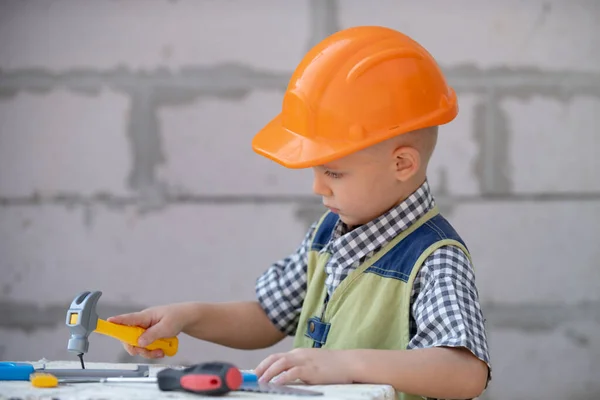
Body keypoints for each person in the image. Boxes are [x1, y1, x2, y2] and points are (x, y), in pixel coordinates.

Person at [108, 26, 491, 400]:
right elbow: (266, 317)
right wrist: (188, 317)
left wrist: (346, 364)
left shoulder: (434, 258)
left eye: (334, 172)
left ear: (403, 164)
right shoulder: (327, 234)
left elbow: (464, 372)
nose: (317, 187)